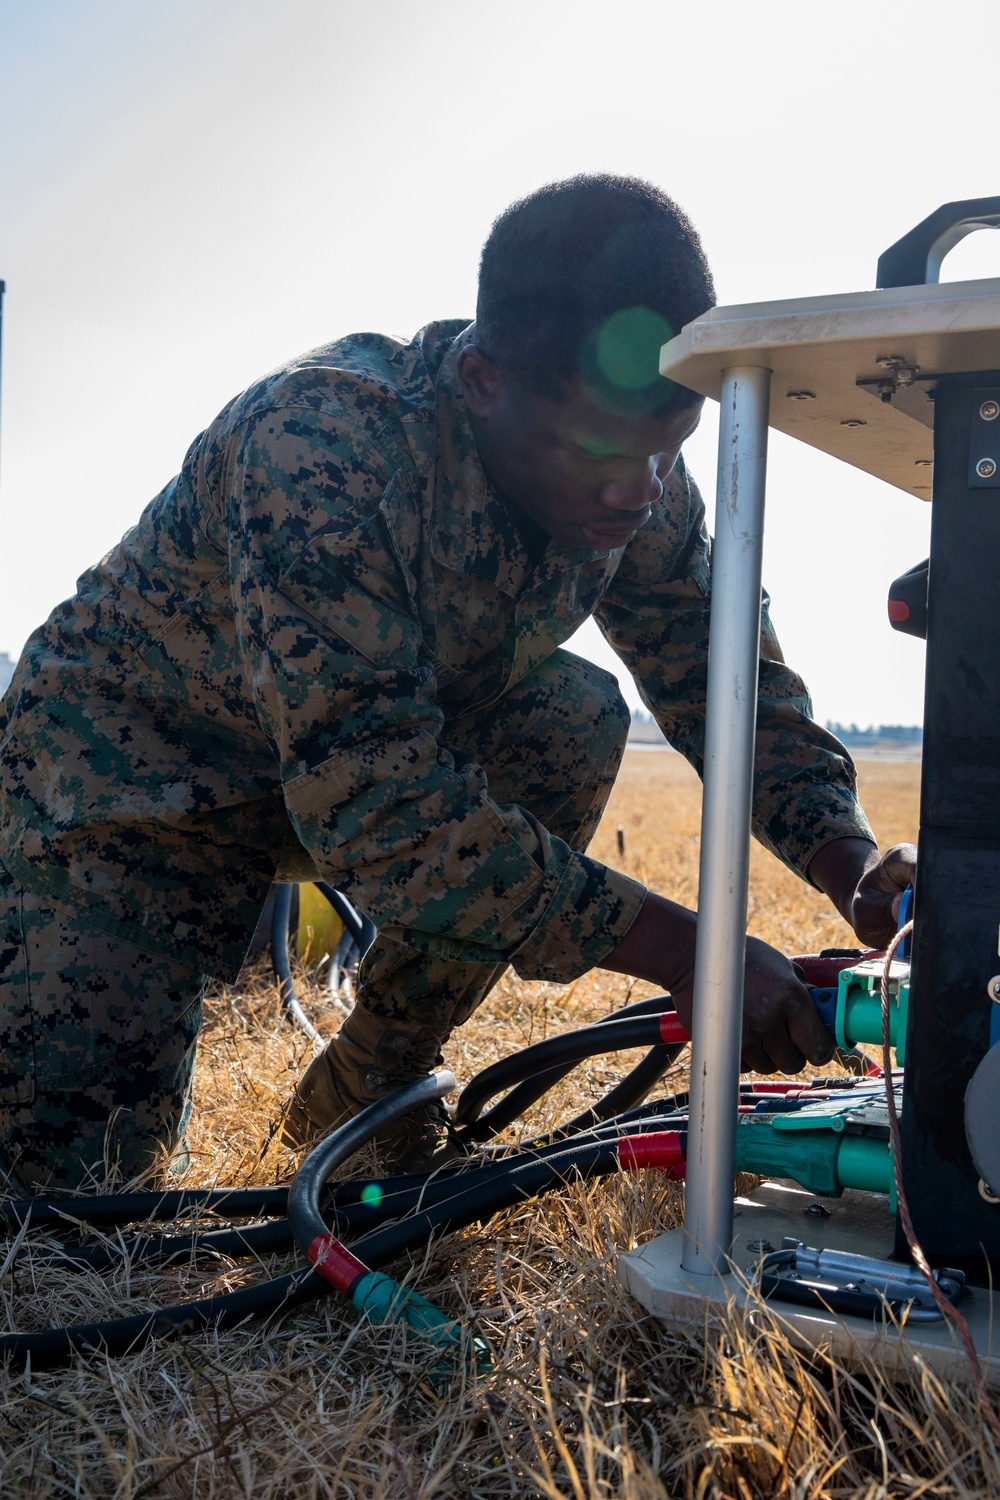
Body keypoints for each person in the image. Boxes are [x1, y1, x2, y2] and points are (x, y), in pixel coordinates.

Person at [0, 175, 913, 1191]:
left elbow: (728, 684)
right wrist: (692, 959)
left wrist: (852, 867)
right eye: (602, 452)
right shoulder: (323, 444)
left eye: (667, 450)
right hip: (126, 800)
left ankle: (368, 1095)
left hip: (342, 783)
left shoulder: (633, 458)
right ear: (482, 380)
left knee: (566, 721)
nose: (637, 490)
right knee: (67, 1206)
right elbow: (382, 810)